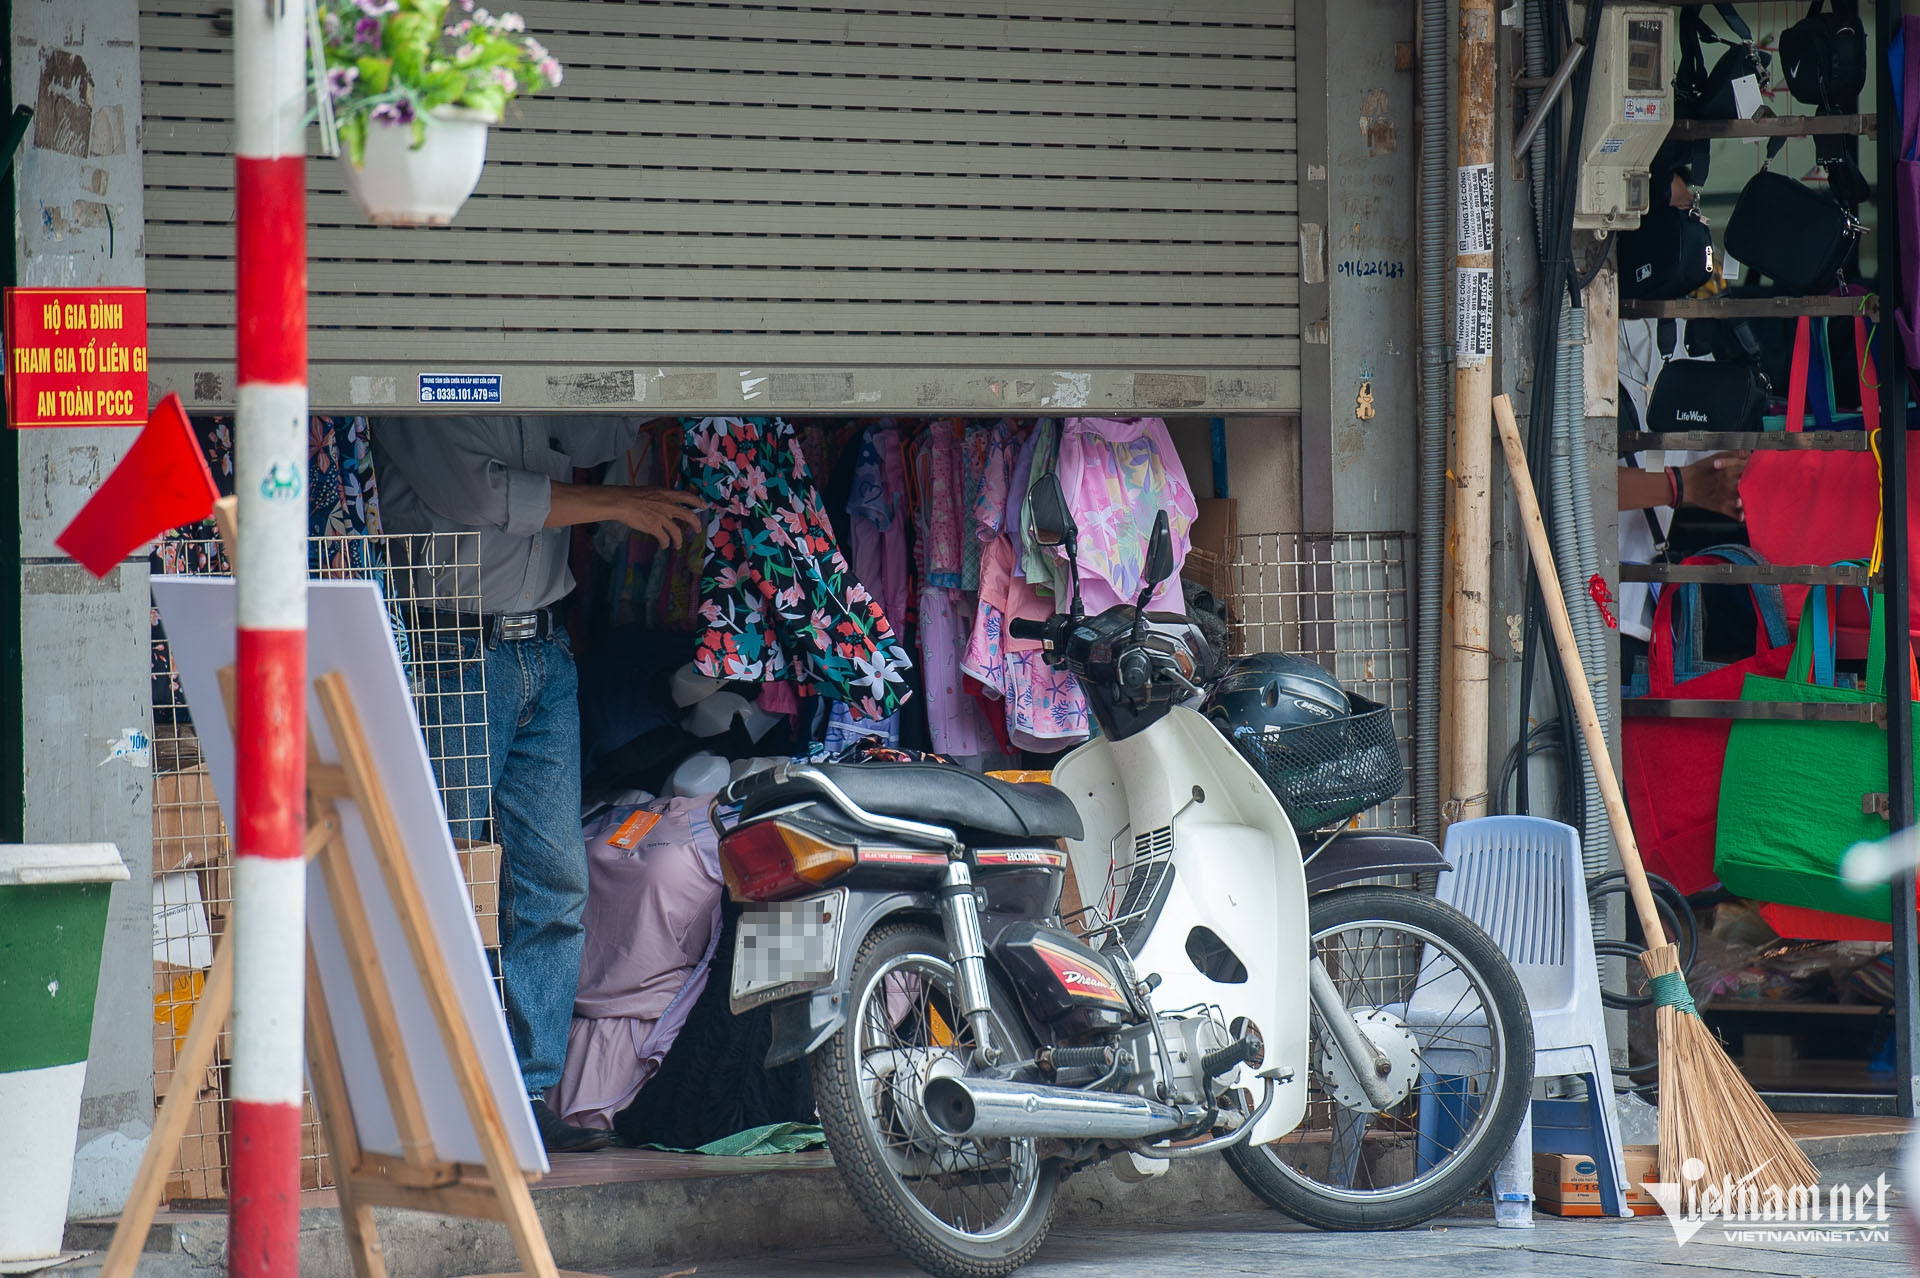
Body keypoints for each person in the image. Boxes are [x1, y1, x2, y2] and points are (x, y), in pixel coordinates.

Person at [373, 416, 703, 1153]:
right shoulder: (420, 389)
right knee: (446, 875)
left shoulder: (525, 379)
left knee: (554, 880)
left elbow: (589, 440)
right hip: (451, 651)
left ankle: (525, 1090)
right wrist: (621, 505)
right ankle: (430, 1089)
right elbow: (485, 495)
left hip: (543, 652)